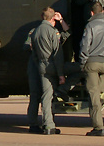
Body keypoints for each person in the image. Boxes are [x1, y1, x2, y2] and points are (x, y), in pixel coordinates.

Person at [25, 7, 70, 135]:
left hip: (38, 65)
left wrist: (61, 21)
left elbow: (67, 33)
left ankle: (33, 124)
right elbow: (57, 52)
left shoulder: (35, 32)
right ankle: (46, 124)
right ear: (52, 19)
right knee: (42, 96)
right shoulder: (51, 32)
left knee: (36, 97)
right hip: (40, 67)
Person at [79, 2, 104, 136]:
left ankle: (98, 127)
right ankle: (99, 96)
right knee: (98, 90)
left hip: (93, 62)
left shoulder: (90, 26)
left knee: (93, 96)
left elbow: (85, 46)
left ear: (92, 13)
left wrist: (82, 63)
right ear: (102, 11)